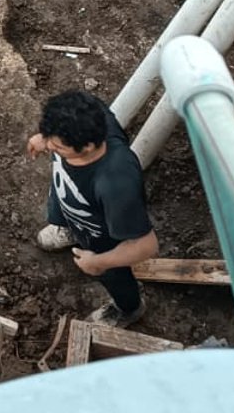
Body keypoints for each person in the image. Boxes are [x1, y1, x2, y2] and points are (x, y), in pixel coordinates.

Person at [28, 89, 158, 329]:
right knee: (64, 207)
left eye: (57, 147)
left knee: (115, 277)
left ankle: (128, 309)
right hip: (75, 204)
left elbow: (145, 245)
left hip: (102, 241)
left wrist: (99, 261)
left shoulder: (115, 184)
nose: (51, 148)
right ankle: (70, 231)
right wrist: (44, 137)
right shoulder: (87, 115)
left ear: (87, 147)